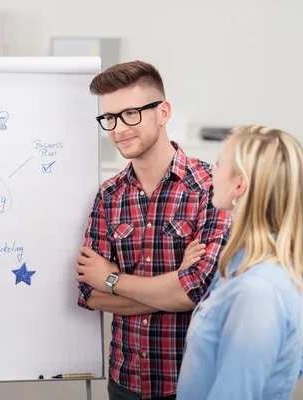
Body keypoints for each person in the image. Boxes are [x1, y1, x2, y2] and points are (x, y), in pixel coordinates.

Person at [75, 61, 231, 400]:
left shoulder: (211, 188)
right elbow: (91, 294)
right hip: (125, 384)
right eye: (110, 118)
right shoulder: (109, 195)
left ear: (163, 112)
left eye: (131, 113)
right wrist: (174, 282)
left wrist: (113, 280)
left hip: (192, 383)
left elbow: (194, 293)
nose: (118, 129)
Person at [177, 126, 303, 400]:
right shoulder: (240, 263)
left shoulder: (258, 291)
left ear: (239, 185)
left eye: (219, 163)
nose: (212, 170)